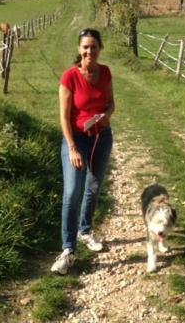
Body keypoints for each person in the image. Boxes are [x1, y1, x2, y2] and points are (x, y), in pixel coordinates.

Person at [51, 28, 115, 275]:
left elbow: (111, 103)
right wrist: (73, 149)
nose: (90, 51)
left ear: (100, 48)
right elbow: (64, 118)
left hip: (101, 137)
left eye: (94, 46)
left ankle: (85, 230)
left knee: (94, 187)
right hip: (75, 140)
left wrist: (106, 115)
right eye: (85, 47)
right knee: (71, 193)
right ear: (79, 49)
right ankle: (68, 250)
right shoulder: (69, 78)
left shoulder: (106, 72)